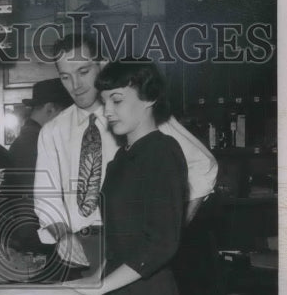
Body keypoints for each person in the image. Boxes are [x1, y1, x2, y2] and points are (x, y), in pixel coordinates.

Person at [73, 59, 189, 295]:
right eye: (104, 101)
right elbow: (122, 240)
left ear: (150, 99)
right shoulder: (122, 159)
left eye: (118, 100)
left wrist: (104, 285)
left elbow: (160, 243)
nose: (107, 111)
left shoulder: (163, 152)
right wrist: (92, 284)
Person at [32, 32, 217, 275]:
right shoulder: (52, 132)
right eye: (65, 77)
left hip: (130, 253)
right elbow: (46, 199)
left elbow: (204, 166)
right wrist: (63, 235)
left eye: (84, 72)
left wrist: (171, 232)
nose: (75, 85)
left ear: (103, 64)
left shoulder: (138, 114)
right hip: (78, 254)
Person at [0, 78, 72, 254]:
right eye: (66, 114)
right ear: (50, 109)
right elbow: (40, 201)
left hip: (32, 235)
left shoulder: (29, 139)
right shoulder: (37, 143)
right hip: (37, 239)